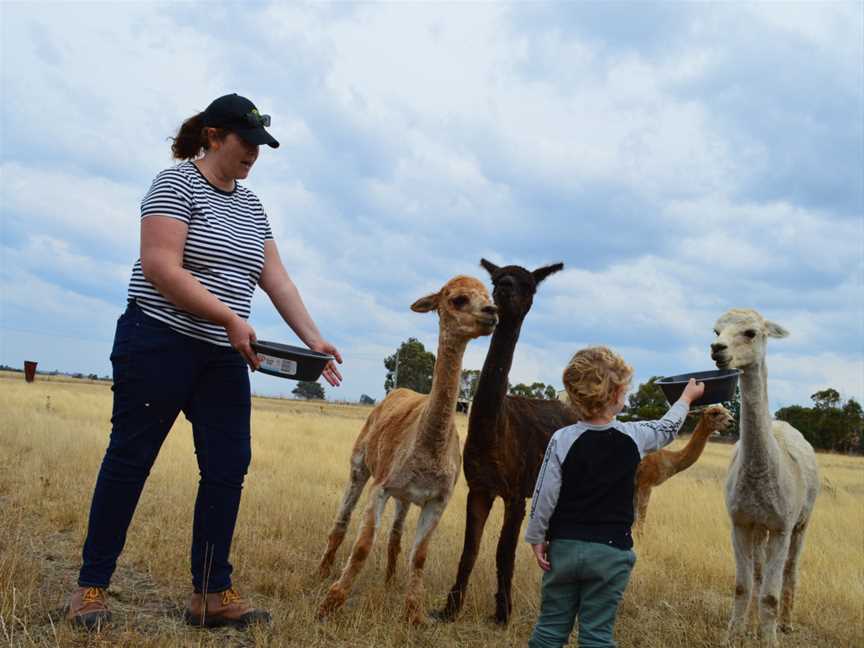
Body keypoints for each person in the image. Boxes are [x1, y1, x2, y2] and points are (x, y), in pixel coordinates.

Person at [66, 93, 343, 631]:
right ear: (214, 137)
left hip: (222, 356)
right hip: (158, 339)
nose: (254, 154)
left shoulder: (252, 205)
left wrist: (315, 340)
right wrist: (229, 317)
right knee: (130, 460)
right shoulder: (174, 184)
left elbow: (276, 279)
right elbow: (161, 268)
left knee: (227, 466)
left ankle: (211, 593)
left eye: (261, 146)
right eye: (246, 142)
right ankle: (91, 587)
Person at [524, 346, 704, 648]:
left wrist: (536, 537)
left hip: (564, 549)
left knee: (550, 629)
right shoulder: (634, 436)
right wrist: (685, 399)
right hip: (611, 554)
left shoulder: (562, 439)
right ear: (617, 393)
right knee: (597, 635)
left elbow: (544, 494)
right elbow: (667, 428)